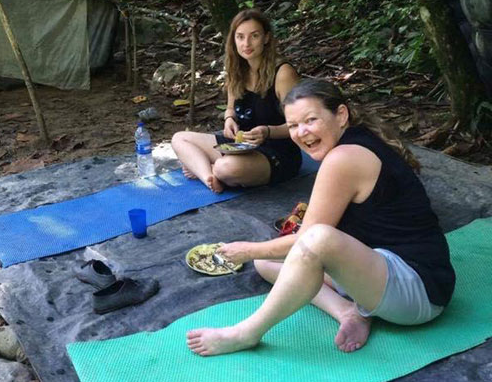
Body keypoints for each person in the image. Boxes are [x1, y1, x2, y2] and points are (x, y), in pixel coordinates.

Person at [187, 79, 455, 356]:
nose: (302, 133)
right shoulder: (352, 141)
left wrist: (244, 250)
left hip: (418, 289)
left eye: (310, 120)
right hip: (375, 267)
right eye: (292, 125)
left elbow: (312, 238)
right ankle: (349, 313)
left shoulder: (345, 157)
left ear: (341, 115)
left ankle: (246, 333)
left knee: (313, 239)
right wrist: (257, 252)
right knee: (266, 261)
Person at [171, 8, 301, 193]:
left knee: (227, 167)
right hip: (240, 146)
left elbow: (299, 125)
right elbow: (231, 109)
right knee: (179, 138)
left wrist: (267, 132)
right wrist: (229, 119)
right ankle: (209, 176)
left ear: (266, 38)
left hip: (277, 152)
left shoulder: (283, 73)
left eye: (254, 36)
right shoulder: (237, 68)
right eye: (240, 37)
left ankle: (208, 168)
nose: (246, 43)